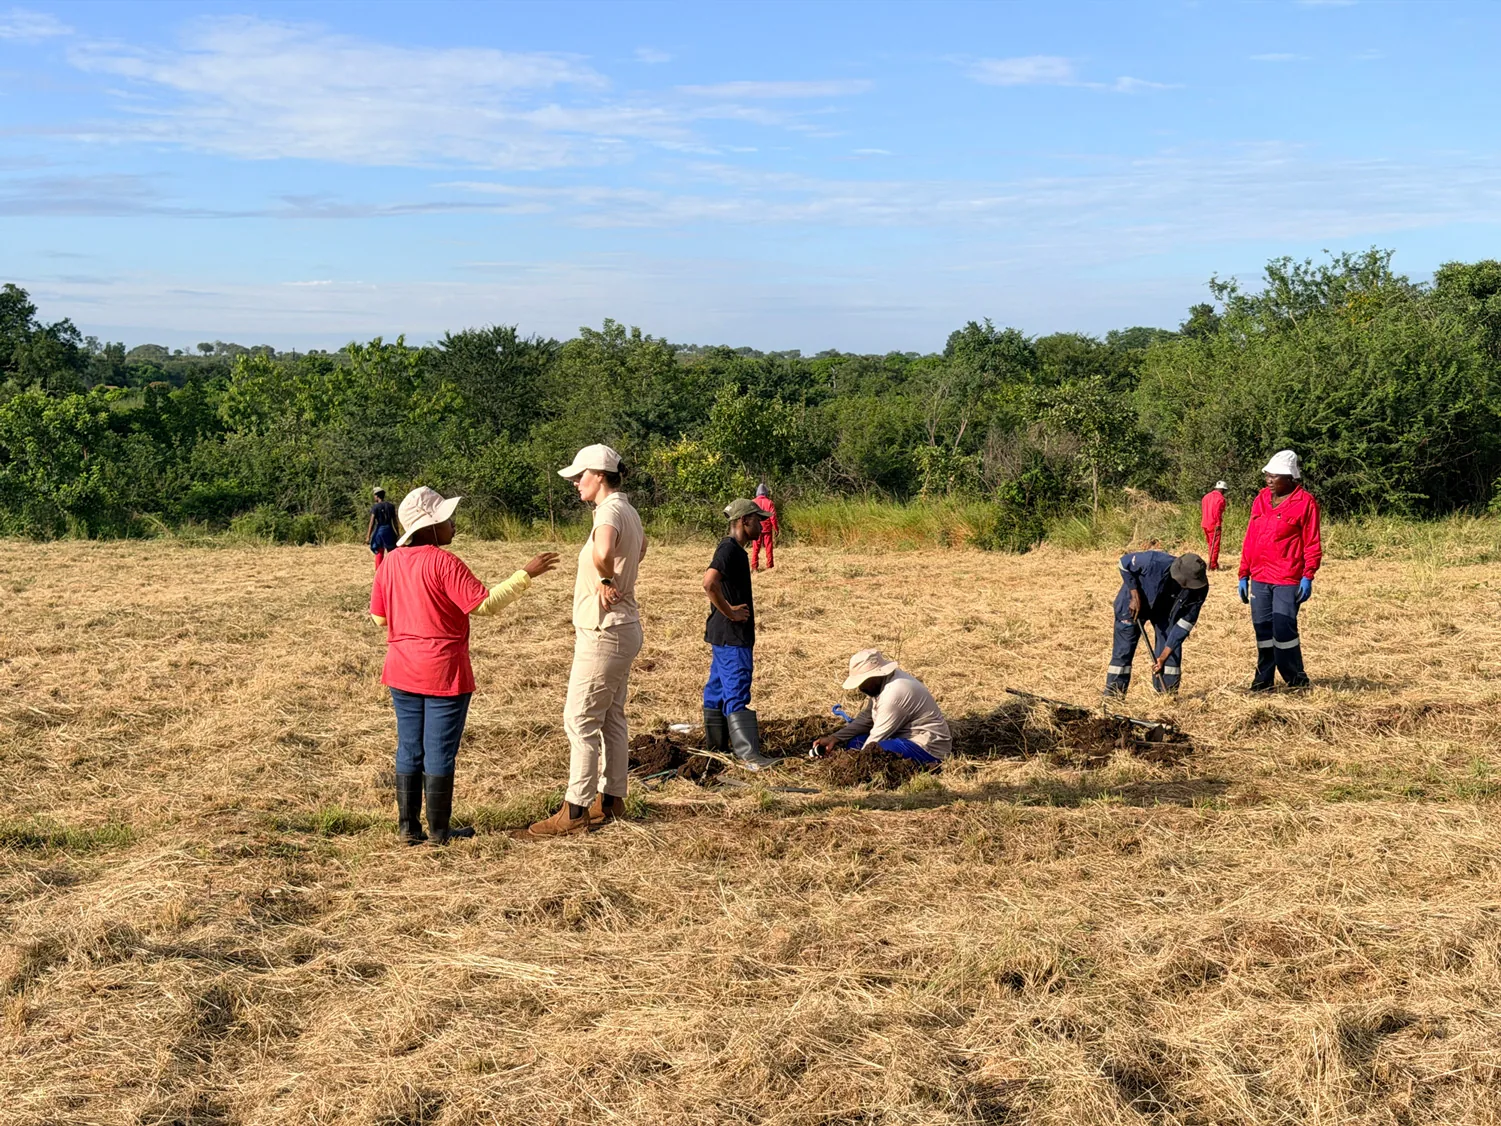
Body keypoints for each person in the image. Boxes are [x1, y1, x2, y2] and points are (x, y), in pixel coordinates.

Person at [370, 486, 558, 846]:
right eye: (446, 519)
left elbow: (379, 618)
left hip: (401, 669)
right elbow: (483, 605)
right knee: (439, 751)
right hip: (443, 671)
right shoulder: (445, 562)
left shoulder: (391, 561)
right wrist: (526, 574)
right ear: (429, 527)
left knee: (410, 747)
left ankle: (408, 828)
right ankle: (440, 831)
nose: (453, 524)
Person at [516, 444, 648, 840]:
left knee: (580, 719)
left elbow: (605, 550)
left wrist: (607, 580)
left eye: (580, 475)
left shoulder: (608, 512)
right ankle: (612, 799)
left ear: (599, 475)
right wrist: (621, 578)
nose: (575, 482)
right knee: (611, 717)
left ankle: (575, 809)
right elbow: (641, 548)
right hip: (624, 626)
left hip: (603, 630)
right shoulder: (628, 509)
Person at [702, 498, 777, 771]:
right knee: (736, 689)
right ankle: (748, 756)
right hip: (733, 635)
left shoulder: (734, 550)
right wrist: (730, 612)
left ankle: (717, 748)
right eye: (758, 520)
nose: (762, 524)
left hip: (723, 635)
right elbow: (709, 583)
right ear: (744, 521)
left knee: (718, 688)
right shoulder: (729, 549)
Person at [1239, 450, 1321, 691]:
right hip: (1260, 577)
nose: (1269, 480)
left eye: (1275, 476)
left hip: (1287, 577)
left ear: (1289, 478)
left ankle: (1296, 679)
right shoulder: (1261, 499)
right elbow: (1250, 537)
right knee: (1262, 628)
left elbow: (1312, 541)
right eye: (1267, 475)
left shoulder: (1305, 502)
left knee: (1284, 629)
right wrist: (1243, 574)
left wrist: (1308, 575)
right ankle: (1263, 680)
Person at [811, 650, 951, 763]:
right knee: (855, 743)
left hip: (926, 746)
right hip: (901, 736)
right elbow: (867, 719)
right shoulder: (882, 684)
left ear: (876, 676)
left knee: (877, 753)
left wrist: (852, 763)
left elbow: (877, 737)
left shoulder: (894, 694)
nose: (861, 687)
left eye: (864, 682)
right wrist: (835, 738)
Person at [1103, 551, 1209, 697]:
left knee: (1171, 651)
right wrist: (1134, 595)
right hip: (1133, 605)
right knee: (1123, 651)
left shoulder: (1200, 589)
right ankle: (1113, 697)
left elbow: (1184, 624)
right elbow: (1123, 563)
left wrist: (1163, 656)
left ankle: (1167, 695)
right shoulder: (1153, 561)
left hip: (1166, 611)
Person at [367, 487, 398, 570]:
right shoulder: (391, 506)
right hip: (390, 530)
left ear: (377, 496)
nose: (374, 497)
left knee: (379, 552)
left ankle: (379, 572)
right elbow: (395, 521)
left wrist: (368, 536)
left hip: (380, 531)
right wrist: (397, 533)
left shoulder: (376, 507)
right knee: (392, 552)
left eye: (374, 495)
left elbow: (372, 522)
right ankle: (393, 571)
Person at [751, 484, 779, 571]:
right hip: (767, 528)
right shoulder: (770, 502)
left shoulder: (753, 502)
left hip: (756, 528)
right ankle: (770, 566)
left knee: (755, 548)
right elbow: (772, 517)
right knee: (769, 547)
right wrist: (776, 528)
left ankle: (754, 566)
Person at [1201, 481, 1228, 571]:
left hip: (1205, 523)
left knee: (1210, 544)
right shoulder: (1221, 499)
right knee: (1215, 545)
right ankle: (1212, 565)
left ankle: (1212, 562)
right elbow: (1218, 512)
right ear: (1222, 489)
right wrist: (1218, 524)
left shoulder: (1206, 497)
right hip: (1214, 524)